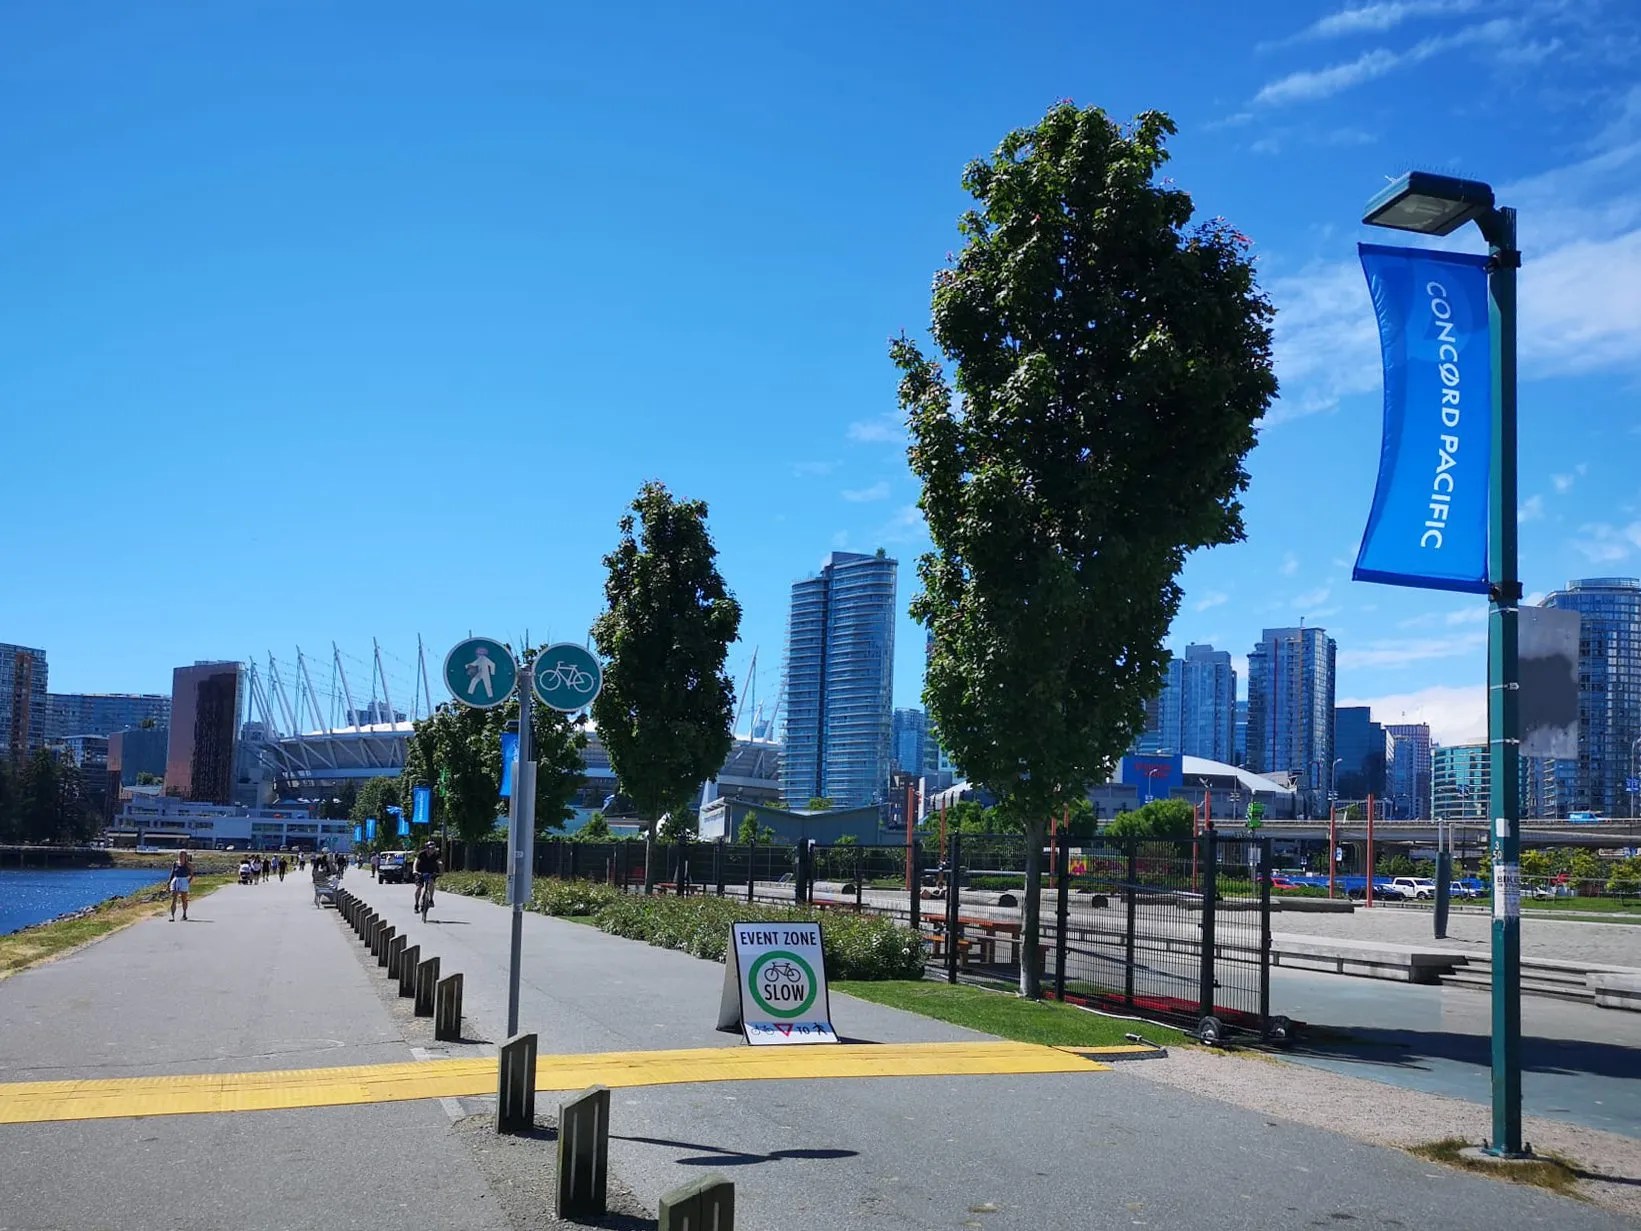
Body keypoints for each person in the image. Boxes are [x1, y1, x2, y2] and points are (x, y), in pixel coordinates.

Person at [412, 841, 441, 913]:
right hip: (420, 872)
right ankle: (416, 905)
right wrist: (415, 870)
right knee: (419, 887)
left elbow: (439, 862)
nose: (432, 850)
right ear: (427, 848)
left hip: (431, 872)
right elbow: (416, 862)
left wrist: (440, 871)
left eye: (433, 848)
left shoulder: (436, 854)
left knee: (431, 883)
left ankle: (431, 899)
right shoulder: (421, 854)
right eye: (431, 848)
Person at [167, 850, 194, 921]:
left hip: (184, 880)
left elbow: (192, 874)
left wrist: (188, 881)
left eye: (183, 855)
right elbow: (172, 873)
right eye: (180, 855)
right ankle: (172, 916)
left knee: (184, 899)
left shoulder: (188, 864)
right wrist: (169, 882)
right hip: (176, 880)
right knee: (174, 898)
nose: (181, 856)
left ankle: (184, 914)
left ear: (185, 856)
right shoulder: (175, 863)